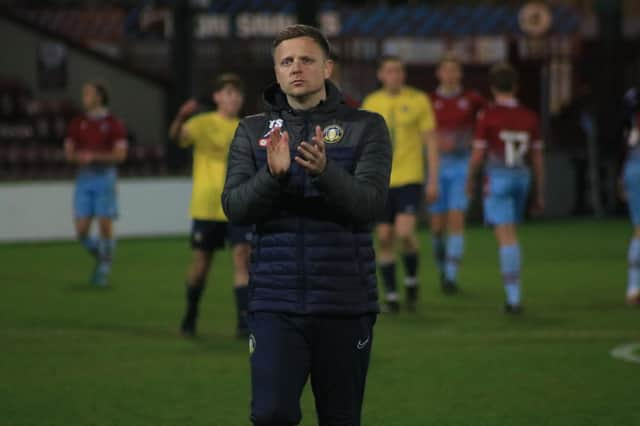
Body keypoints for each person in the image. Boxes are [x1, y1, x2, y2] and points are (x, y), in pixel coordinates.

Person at [222, 24, 391, 426]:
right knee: (271, 414)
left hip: (345, 302)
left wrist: (325, 172)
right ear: (277, 73)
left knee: (340, 418)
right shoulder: (250, 132)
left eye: (306, 59)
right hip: (274, 303)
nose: (296, 68)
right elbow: (235, 207)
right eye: (287, 61)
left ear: (327, 67)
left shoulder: (366, 127)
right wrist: (273, 177)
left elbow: (369, 205)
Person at [169, 73, 252, 337]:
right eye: (228, 93)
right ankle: (191, 313)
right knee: (202, 263)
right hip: (207, 206)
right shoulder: (202, 123)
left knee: (243, 257)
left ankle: (243, 322)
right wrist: (181, 117)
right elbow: (176, 137)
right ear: (217, 97)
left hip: (238, 204)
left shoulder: (247, 128)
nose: (234, 99)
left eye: (237, 94)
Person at [361, 55, 439, 312]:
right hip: (380, 181)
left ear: (403, 75)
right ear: (381, 75)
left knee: (404, 233)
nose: (394, 75)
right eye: (389, 71)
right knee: (383, 237)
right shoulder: (372, 103)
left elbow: (431, 141)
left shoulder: (418, 100)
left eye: (398, 71)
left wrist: (433, 179)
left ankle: (412, 280)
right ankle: (392, 296)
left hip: (409, 177)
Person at [466, 63, 544, 314]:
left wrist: (469, 179)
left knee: (506, 237)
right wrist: (540, 191)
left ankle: (513, 299)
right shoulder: (529, 116)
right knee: (512, 235)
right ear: (516, 86)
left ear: (492, 87)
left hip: (498, 178)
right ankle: (514, 296)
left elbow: (478, 154)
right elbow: (538, 159)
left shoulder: (487, 115)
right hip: (523, 177)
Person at [430, 54, 486, 294]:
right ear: (439, 74)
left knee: (457, 219)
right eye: (446, 70)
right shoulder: (429, 100)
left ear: (460, 74)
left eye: (454, 70)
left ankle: (451, 277)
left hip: (462, 165)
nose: (450, 75)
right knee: (436, 226)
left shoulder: (472, 100)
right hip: (437, 165)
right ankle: (443, 268)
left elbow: (486, 124)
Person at [64, 82, 128, 286]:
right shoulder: (77, 123)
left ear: (100, 97)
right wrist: (78, 158)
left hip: (105, 178)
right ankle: (103, 256)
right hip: (84, 179)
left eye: (88, 93)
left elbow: (120, 155)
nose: (84, 97)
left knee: (104, 223)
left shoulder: (114, 123)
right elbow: (69, 153)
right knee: (81, 230)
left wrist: (94, 157)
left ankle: (103, 270)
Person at [620, 87, 640, 305]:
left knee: (638, 229)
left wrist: (621, 178)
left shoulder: (629, 124)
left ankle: (633, 287)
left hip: (632, 168)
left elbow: (623, 150)